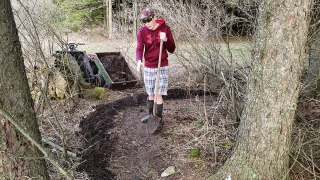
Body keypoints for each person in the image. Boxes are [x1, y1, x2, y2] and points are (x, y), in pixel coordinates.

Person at [136, 7, 176, 131]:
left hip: (161, 66)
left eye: (148, 20)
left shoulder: (165, 29)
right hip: (148, 66)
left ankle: (158, 119)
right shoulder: (142, 31)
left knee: (158, 94)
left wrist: (166, 40)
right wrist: (139, 60)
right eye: (144, 21)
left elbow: (172, 49)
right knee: (151, 93)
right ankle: (150, 115)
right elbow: (139, 48)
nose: (147, 23)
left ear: (154, 17)